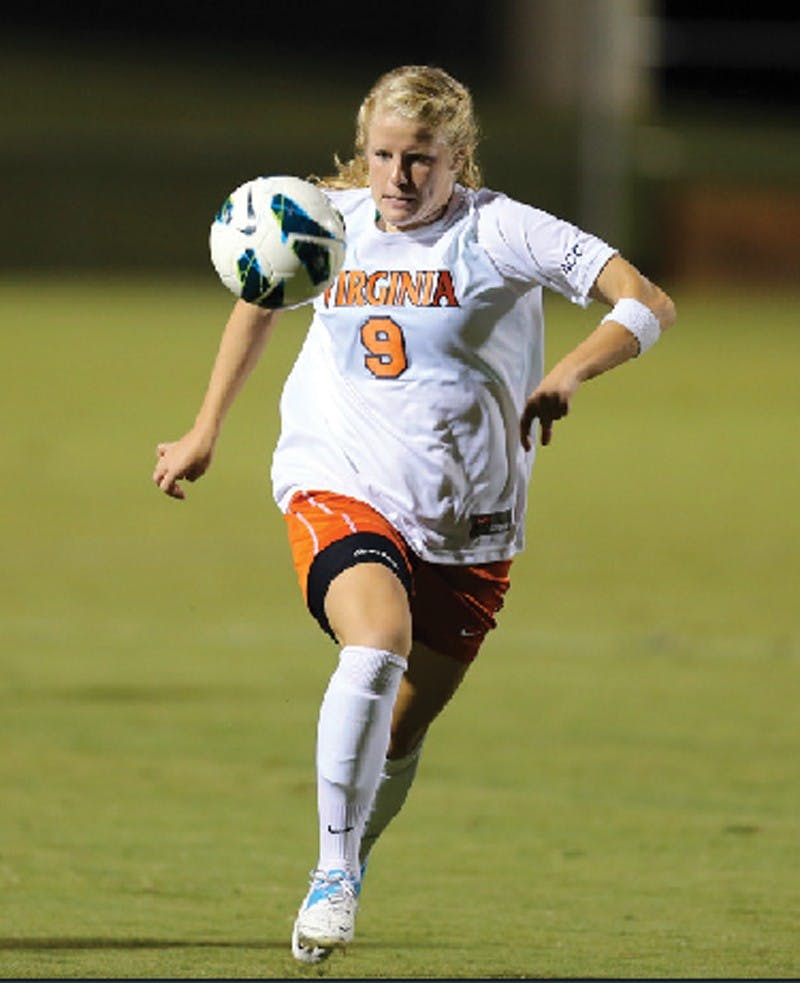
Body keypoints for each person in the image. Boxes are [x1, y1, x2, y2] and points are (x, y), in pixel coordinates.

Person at [152, 64, 676, 964]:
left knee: (402, 729)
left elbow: (646, 298)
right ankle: (332, 872)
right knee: (377, 638)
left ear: (458, 158)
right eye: (382, 156)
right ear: (363, 153)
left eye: (419, 160)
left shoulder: (504, 230)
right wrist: (206, 428)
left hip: (469, 518)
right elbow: (261, 290)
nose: (396, 178)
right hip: (338, 475)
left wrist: (570, 371)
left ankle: (350, 846)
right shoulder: (330, 217)